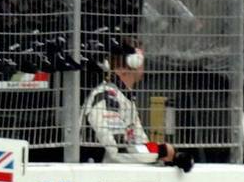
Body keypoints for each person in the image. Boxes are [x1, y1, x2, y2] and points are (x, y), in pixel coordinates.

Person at [81, 40, 193, 170]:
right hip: (95, 174)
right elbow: (118, 149)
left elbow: (139, 144)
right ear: (124, 68)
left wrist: (169, 156)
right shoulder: (107, 97)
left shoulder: (125, 98)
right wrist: (161, 151)